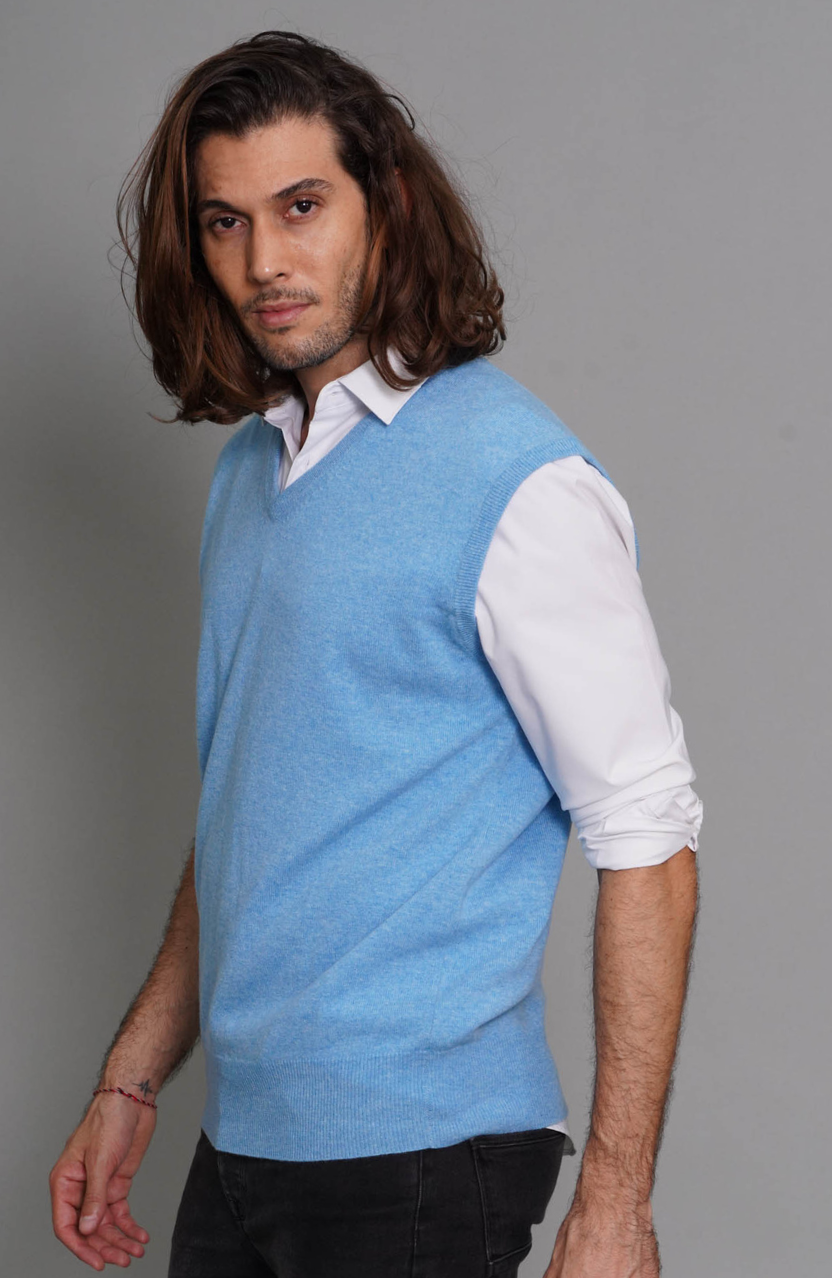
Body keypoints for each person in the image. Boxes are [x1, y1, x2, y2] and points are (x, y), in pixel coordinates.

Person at [49, 30, 701, 1278]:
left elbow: (648, 839)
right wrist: (131, 1077)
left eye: (302, 207)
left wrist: (615, 1206)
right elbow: (248, 810)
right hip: (246, 1146)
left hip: (420, 1159)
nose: (264, 261)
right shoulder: (250, 475)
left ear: (387, 206)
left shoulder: (517, 480)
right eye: (226, 222)